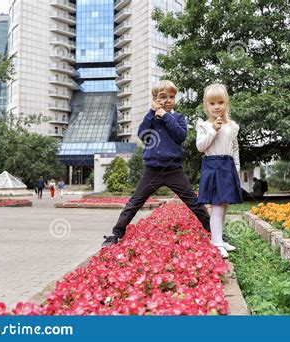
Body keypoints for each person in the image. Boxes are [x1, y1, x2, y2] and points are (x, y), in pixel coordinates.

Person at [101, 80, 211, 247]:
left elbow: (180, 136)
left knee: (193, 202)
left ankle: (214, 232)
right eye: (163, 97)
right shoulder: (151, 119)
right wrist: (152, 113)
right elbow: (142, 135)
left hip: (174, 170)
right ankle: (116, 234)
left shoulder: (178, 118)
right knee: (134, 202)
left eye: (171, 97)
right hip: (152, 170)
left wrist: (166, 116)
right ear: (155, 99)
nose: (168, 100)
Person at [196, 83, 243, 258]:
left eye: (220, 102)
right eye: (212, 103)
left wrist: (236, 170)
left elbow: (235, 149)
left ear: (226, 103)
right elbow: (200, 147)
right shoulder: (204, 126)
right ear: (206, 106)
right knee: (216, 206)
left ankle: (219, 239)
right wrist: (213, 131)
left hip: (227, 166)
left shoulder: (232, 126)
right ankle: (215, 243)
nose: (216, 107)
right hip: (212, 165)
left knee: (224, 206)